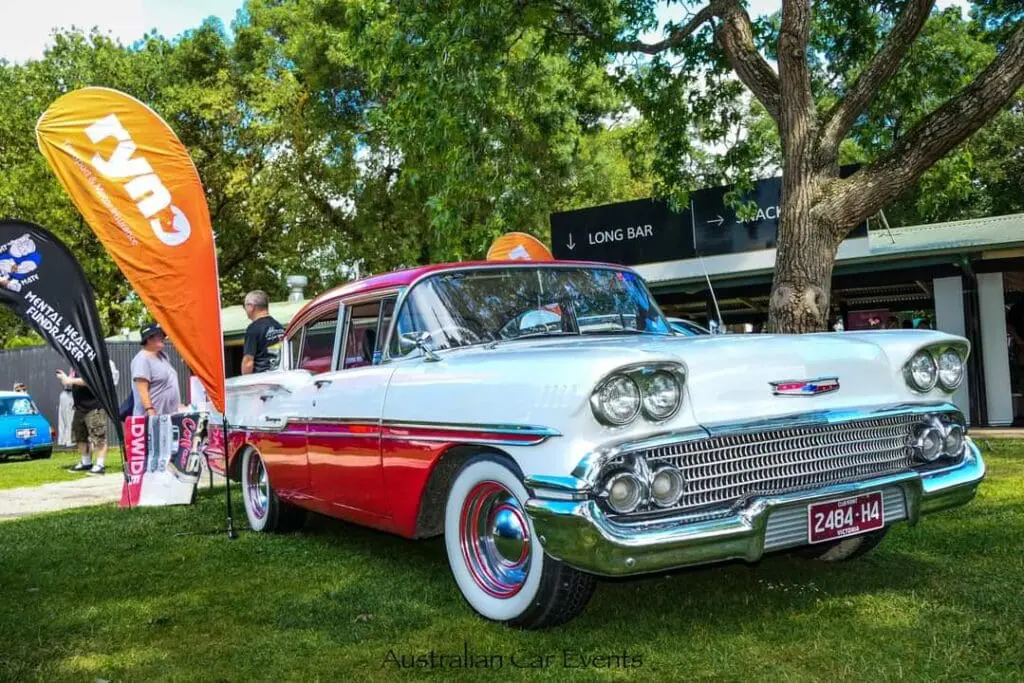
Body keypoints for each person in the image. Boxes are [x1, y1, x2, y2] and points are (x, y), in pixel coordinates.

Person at [131, 323, 183, 417]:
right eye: (159, 336)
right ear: (149, 339)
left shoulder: (163, 356)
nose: (163, 338)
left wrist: (177, 405)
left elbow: (170, 383)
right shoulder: (142, 359)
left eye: (163, 335)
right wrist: (150, 411)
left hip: (167, 416)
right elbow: (142, 390)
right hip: (152, 417)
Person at [241, 290, 285, 374]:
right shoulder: (279, 327)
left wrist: (246, 383)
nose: (245, 309)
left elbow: (248, 362)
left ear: (251, 307)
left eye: (245, 306)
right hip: (279, 376)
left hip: (261, 380)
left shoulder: (252, 329)